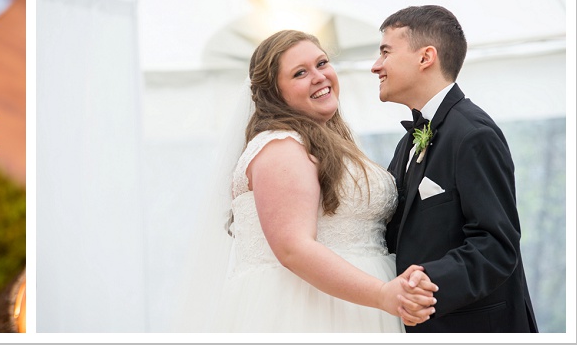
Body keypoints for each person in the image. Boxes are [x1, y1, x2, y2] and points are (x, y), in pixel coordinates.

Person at [173, 29, 437, 333]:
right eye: (300, 73)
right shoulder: (281, 147)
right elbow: (293, 248)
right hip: (308, 311)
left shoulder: (332, 143)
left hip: (361, 308)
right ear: (275, 93)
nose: (319, 76)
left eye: (322, 63)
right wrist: (380, 294)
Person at [372, 5, 538, 332]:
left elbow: (497, 245)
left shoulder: (474, 135)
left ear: (425, 57)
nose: (376, 66)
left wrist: (427, 283)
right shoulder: (407, 143)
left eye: (385, 52)